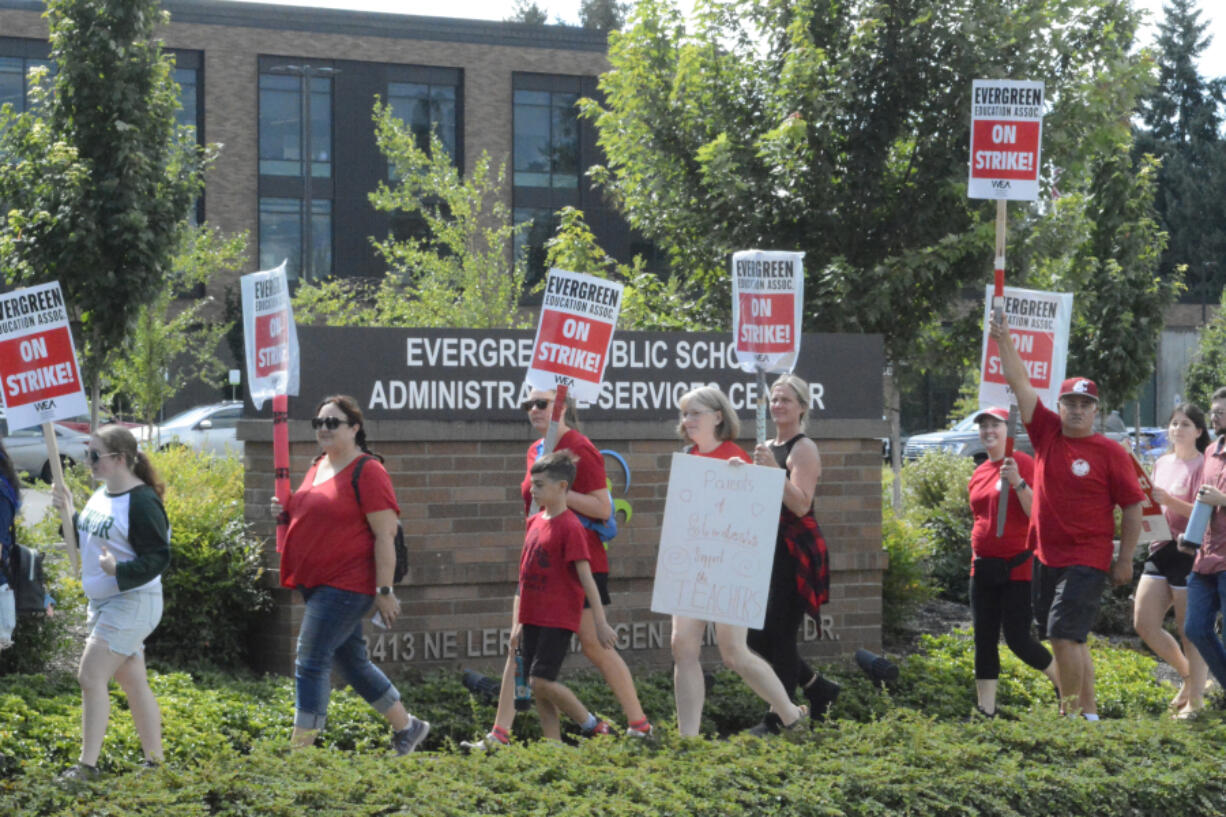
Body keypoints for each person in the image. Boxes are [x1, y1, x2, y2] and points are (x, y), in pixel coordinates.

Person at [463, 388, 652, 751]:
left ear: (561, 406)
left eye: (541, 403)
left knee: (594, 645)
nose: (533, 410)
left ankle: (639, 726)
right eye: (528, 404)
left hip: (575, 563)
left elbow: (602, 508)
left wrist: (559, 495)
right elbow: (534, 507)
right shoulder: (535, 450)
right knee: (517, 646)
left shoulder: (580, 447)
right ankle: (499, 735)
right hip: (537, 563)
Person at [989, 314, 1145, 719]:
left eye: (1085, 404)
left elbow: (1132, 506)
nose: (1077, 410)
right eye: (1070, 403)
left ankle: (1069, 714)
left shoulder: (1111, 453)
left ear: (1096, 410)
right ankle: (1090, 715)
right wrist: (1004, 338)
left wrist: (1125, 558)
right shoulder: (1046, 433)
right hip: (1044, 555)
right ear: (1058, 407)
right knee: (1070, 639)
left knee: (1061, 632)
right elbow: (1021, 382)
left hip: (1087, 557)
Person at [275, 395, 429, 754]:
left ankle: (300, 752)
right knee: (352, 663)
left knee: (310, 660)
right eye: (319, 423)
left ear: (355, 428)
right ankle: (408, 727)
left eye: (333, 422)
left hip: (346, 585)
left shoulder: (368, 470)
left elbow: (385, 534)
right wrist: (284, 507)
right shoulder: (318, 465)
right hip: (315, 584)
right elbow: (311, 510)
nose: (324, 429)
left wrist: (385, 590)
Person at [670, 385, 807, 737]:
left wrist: (747, 479)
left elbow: (756, 518)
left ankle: (790, 715)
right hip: (693, 566)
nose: (688, 421)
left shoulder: (737, 458)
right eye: (685, 414)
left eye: (695, 413)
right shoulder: (689, 458)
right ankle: (688, 738)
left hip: (728, 568)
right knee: (682, 646)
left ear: (718, 417)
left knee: (732, 652)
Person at [53, 426, 171, 780]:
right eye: (87, 454)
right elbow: (89, 534)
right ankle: (157, 765)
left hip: (132, 601)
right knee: (133, 681)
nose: (87, 461)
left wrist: (119, 570)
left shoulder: (142, 502)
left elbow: (159, 557)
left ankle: (87, 768)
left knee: (90, 675)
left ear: (119, 459)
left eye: (94, 455)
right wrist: (70, 512)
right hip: (106, 602)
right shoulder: (103, 493)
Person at [746, 374, 840, 724]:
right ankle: (817, 687)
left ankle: (778, 719)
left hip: (796, 552)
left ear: (801, 407)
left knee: (781, 634)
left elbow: (801, 504)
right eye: (774, 399)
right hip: (766, 552)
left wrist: (772, 470)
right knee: (755, 636)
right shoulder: (767, 446)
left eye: (785, 399)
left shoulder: (804, 448)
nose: (778, 405)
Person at [509, 451, 620, 741]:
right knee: (538, 686)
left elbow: (587, 577)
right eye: (532, 484)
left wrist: (600, 622)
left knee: (541, 681)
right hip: (533, 617)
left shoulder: (571, 527)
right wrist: (518, 623)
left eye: (540, 485)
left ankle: (592, 724)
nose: (533, 490)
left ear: (562, 487)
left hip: (557, 618)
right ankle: (553, 746)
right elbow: (524, 574)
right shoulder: (535, 522)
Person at [965, 406, 1059, 717]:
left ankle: (1065, 685)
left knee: (1018, 639)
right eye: (984, 426)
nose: (988, 431)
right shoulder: (979, 472)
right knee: (984, 639)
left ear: (1008, 430)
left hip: (1016, 567)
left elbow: (1038, 512)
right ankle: (986, 709)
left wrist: (1018, 482)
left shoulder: (1023, 463)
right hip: (982, 568)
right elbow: (980, 517)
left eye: (995, 425)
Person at [1134, 403, 1208, 717]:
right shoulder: (1161, 462)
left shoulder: (1205, 465)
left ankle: (1195, 701)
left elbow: (1208, 513)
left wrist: (1170, 501)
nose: (1177, 429)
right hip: (1159, 547)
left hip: (1188, 552)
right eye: (1174, 424)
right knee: (1144, 623)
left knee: (1187, 628)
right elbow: (1153, 503)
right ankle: (1189, 676)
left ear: (1199, 432)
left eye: (1185, 424)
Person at [1181, 388, 1226, 695]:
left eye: (1220, 410)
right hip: (1206, 557)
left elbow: (1216, 498)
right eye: (1212, 410)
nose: (1214, 416)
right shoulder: (1210, 451)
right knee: (1194, 628)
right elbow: (1202, 501)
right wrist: (1191, 537)